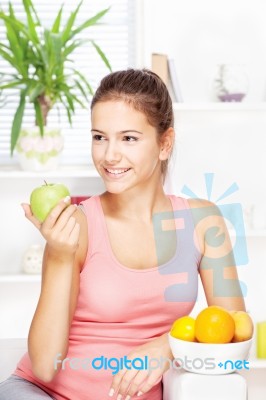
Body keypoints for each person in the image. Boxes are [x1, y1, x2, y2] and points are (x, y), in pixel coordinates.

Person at [0, 69, 246, 400]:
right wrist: (59, 254)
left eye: (128, 138)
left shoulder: (204, 223)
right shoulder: (78, 225)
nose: (109, 155)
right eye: (99, 137)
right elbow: (44, 365)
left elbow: (236, 328)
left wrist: (168, 346)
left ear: (164, 144)